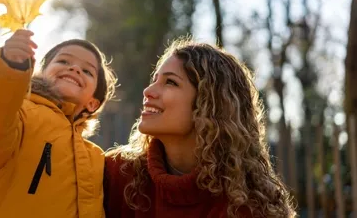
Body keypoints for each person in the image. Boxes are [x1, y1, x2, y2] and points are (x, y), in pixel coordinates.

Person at [104, 37, 295, 218]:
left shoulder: (249, 205)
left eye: (170, 82)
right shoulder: (116, 174)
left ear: (210, 104)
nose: (148, 91)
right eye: (155, 80)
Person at [0, 29, 117, 218]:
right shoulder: (21, 114)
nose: (75, 69)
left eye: (87, 71)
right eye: (64, 61)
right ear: (42, 73)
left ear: (93, 103)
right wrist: (10, 70)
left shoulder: (97, 157)